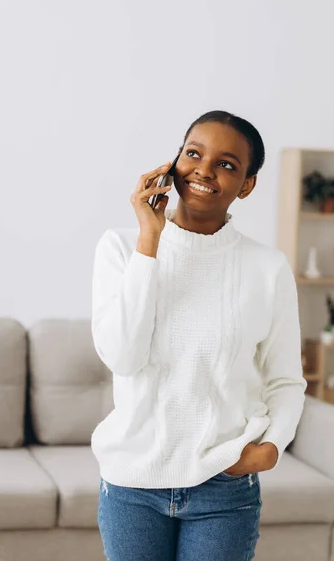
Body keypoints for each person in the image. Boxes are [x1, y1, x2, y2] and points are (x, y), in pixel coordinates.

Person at [91, 110, 307, 561]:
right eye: (193, 153)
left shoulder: (267, 268)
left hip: (223, 489)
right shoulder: (120, 247)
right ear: (174, 162)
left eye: (227, 164)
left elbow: (285, 378)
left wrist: (270, 449)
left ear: (246, 185)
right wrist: (149, 241)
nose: (204, 170)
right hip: (132, 486)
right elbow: (124, 357)